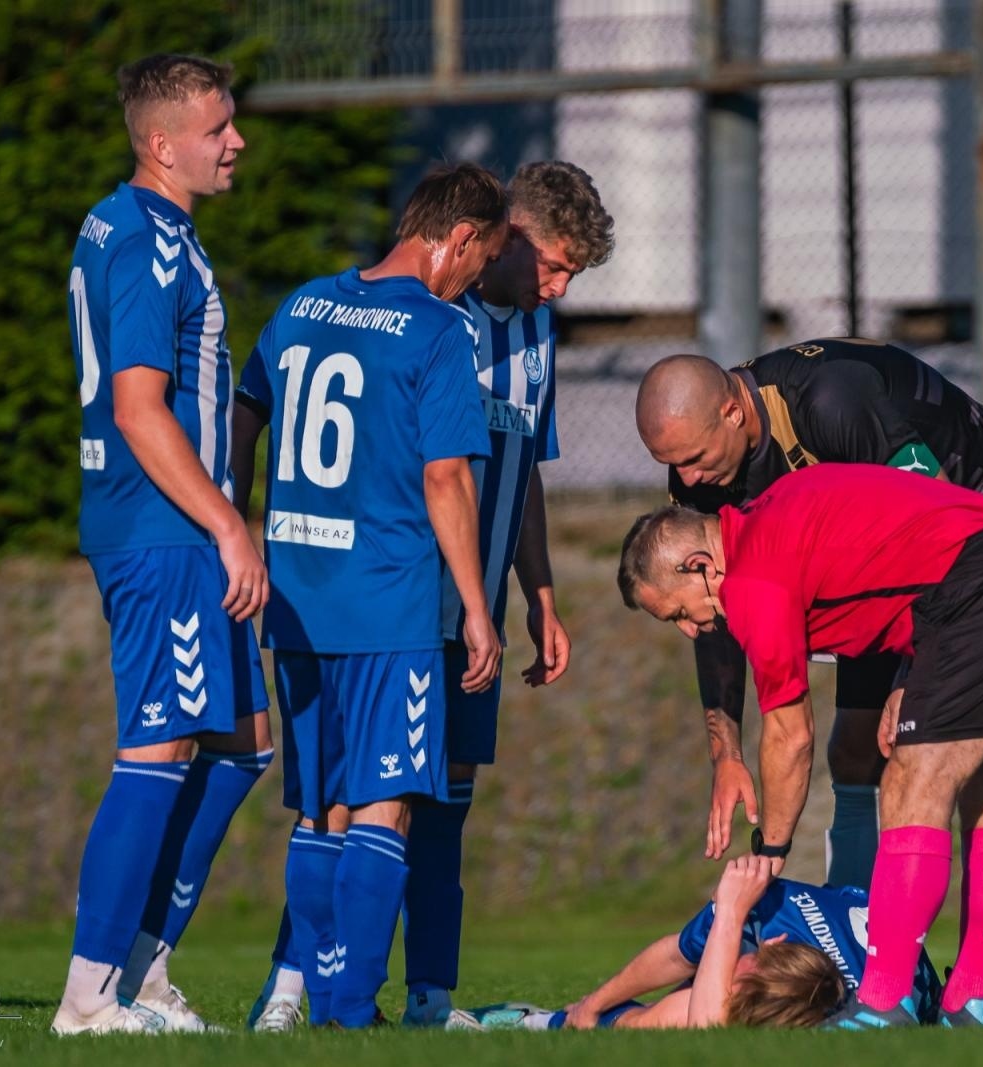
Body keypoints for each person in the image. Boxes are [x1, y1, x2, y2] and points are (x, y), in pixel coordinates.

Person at [634, 338, 983, 1017]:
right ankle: (856, 954)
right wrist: (726, 746)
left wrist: (915, 675)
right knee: (856, 746)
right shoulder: (698, 470)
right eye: (672, 467)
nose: (690, 480)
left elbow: (933, 516)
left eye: (696, 458)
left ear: (735, 412)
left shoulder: (832, 400)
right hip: (887, 575)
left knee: (971, 768)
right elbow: (718, 611)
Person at [230, 162, 507, 1029]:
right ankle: (348, 1010)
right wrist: (474, 603)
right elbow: (445, 476)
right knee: (387, 800)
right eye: (483, 257)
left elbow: (246, 411)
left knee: (321, 809)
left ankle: (314, 996)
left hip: (299, 599)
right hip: (388, 602)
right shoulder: (437, 331)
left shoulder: (305, 303)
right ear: (458, 238)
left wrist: (237, 522)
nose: (476, 278)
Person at [54, 53, 273, 1037]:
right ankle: (88, 994)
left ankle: (142, 968)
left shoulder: (145, 228)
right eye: (218, 127)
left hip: (176, 525)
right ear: (162, 143)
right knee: (159, 744)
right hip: (165, 527)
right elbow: (141, 409)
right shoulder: (143, 239)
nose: (236, 141)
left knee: (241, 740)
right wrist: (229, 522)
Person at [402, 160, 615, 1027]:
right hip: (408, 604)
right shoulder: (432, 317)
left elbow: (524, 467)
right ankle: (304, 982)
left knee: (450, 798)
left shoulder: (536, 333)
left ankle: (428, 994)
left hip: (482, 612)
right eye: (555, 265)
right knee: (371, 801)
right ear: (509, 238)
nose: (559, 287)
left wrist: (542, 593)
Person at [446, 855, 939, 1031]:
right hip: (857, 936)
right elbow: (676, 954)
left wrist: (729, 915)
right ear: (774, 943)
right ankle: (561, 1020)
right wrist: (592, 1006)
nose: (727, 980)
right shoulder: (767, 907)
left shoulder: (841, 1008)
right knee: (695, 986)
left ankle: (540, 1024)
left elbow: (706, 1022)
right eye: (739, 977)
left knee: (682, 1015)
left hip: (892, 959)